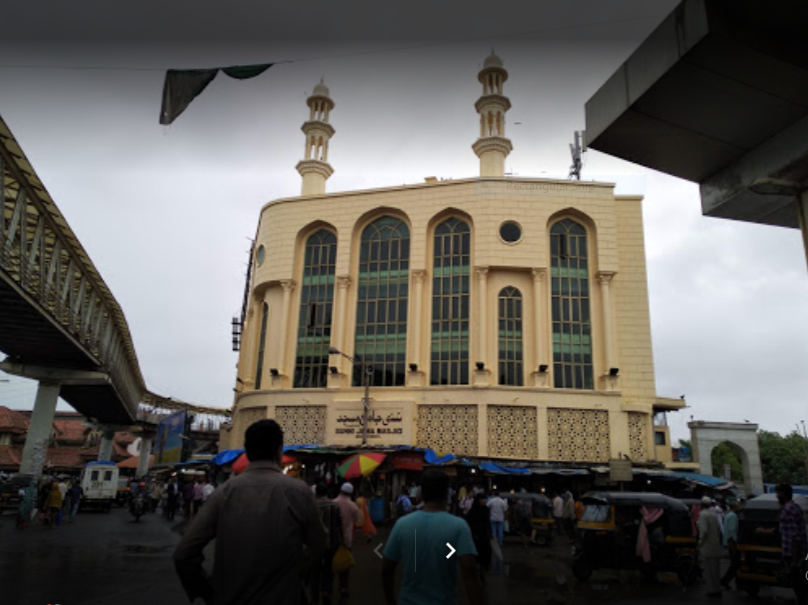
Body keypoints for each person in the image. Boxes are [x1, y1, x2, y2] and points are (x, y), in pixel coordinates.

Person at [174, 420, 326, 605]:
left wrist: (207, 591)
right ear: (279, 450)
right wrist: (302, 566)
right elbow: (319, 544)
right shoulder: (299, 491)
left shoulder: (223, 492)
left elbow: (184, 554)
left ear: (246, 451)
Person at [383, 470, 486, 605]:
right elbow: (469, 569)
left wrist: (391, 601)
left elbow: (387, 568)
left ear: (421, 494)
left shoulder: (402, 524)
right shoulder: (458, 526)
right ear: (446, 494)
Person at [311, 480, 343, 605]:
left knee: (315, 570)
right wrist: (342, 541)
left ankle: (314, 598)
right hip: (332, 543)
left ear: (317, 492)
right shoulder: (334, 506)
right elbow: (339, 525)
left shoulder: (312, 506)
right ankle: (327, 591)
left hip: (315, 544)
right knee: (329, 569)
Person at [775, 483, 807, 605]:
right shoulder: (793, 507)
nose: (777, 496)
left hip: (793, 554)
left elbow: (796, 537)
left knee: (798, 585)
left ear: (783, 493)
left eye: (778, 493)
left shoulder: (788, 510)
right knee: (800, 585)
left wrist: (794, 559)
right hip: (796, 552)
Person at [333, 482, 360, 599]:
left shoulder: (333, 503)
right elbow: (357, 520)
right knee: (345, 565)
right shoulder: (353, 506)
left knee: (330, 563)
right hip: (346, 539)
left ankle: (326, 588)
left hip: (333, 539)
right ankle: (343, 587)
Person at [697, 495, 723, 598]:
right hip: (715, 544)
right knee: (715, 569)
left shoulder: (703, 515)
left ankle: (712, 590)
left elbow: (704, 530)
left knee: (709, 570)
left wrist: (700, 542)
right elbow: (718, 529)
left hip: (707, 546)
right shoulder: (713, 514)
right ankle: (717, 589)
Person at [465, 492, 493, 582]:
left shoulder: (486, 510)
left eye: (485, 499)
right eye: (482, 499)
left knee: (485, 555)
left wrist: (490, 533)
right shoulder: (473, 511)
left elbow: (487, 523)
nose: (484, 501)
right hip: (476, 537)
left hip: (484, 537)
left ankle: (482, 570)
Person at [720, 501, 740, 589]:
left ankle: (738, 582)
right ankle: (725, 580)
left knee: (734, 562)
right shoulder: (734, 516)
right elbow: (733, 529)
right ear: (734, 508)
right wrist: (736, 541)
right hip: (732, 542)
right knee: (735, 563)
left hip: (727, 541)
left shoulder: (727, 515)